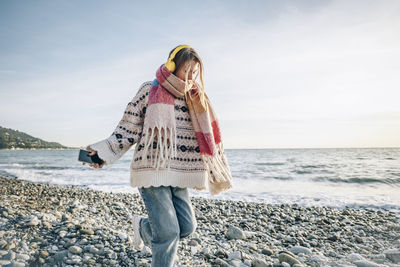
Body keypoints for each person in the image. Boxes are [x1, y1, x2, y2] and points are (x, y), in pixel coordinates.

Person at [82, 44, 233, 267]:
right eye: (186, 71)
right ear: (172, 66)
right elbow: (128, 128)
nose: (191, 77)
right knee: (168, 233)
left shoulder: (196, 98)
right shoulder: (149, 90)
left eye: (195, 72)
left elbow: (209, 138)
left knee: (187, 226)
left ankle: (142, 227)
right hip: (152, 169)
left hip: (180, 171)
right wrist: (101, 154)